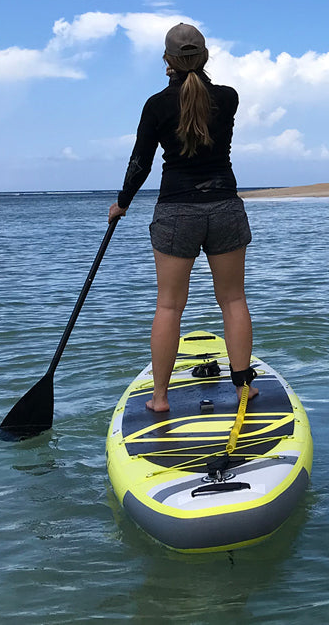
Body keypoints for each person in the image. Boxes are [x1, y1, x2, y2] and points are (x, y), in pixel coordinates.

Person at [108, 22, 257, 413]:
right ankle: (244, 388)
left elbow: (140, 161)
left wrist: (122, 202)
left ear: (167, 59)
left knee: (169, 306)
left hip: (176, 212)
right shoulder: (228, 98)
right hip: (224, 206)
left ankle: (160, 398)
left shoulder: (156, 105)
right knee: (233, 299)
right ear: (205, 56)